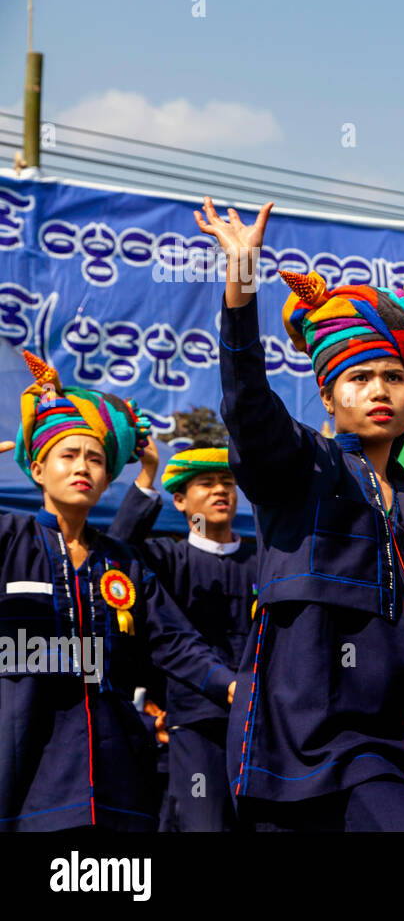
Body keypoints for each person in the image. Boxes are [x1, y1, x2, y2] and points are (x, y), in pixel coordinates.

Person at [196, 197, 404, 831]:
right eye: (361, 377)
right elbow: (247, 405)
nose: (380, 390)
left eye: (395, 378)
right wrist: (242, 283)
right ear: (327, 393)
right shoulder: (302, 468)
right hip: (317, 740)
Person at [0, 353, 236, 831]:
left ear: (109, 479)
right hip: (24, 753)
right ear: (38, 470)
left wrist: (231, 685)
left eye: (96, 459)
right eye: (68, 456)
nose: (83, 467)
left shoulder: (122, 561)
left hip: (114, 764)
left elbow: (174, 641)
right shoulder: (10, 540)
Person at [107, 439, 255, 831]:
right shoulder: (164, 558)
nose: (221, 490)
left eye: (227, 481)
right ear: (180, 502)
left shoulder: (264, 560)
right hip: (195, 726)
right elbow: (114, 554)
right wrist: (145, 477)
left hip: (263, 723)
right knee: (203, 824)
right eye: (205, 483)